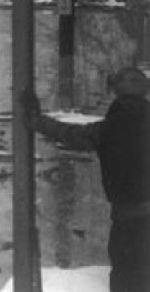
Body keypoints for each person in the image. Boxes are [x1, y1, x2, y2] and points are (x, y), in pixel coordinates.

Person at [24, 66, 150, 292]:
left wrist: (37, 121)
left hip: (127, 220)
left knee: (127, 278)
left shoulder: (108, 128)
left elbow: (69, 134)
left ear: (116, 93)